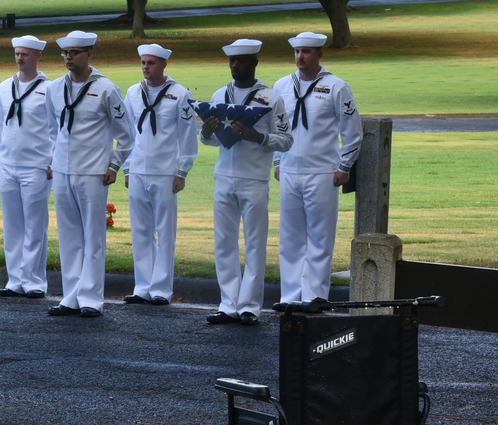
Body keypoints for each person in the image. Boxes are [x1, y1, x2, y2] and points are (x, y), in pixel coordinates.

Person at [200, 38, 293, 325]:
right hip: (223, 178)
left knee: (254, 242)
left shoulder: (270, 97)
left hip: (254, 179)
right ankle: (228, 303)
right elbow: (210, 140)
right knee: (224, 242)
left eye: (241, 61)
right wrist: (206, 132)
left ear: (254, 62)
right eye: (232, 61)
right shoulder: (219, 94)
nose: (235, 65)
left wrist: (259, 137)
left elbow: (287, 140)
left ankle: (250, 305)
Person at [44, 31, 135, 318]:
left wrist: (113, 165)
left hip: (93, 171)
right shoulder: (54, 88)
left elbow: (128, 135)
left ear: (89, 55)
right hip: (62, 170)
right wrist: (52, 160)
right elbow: (50, 130)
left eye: (75, 53)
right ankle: (71, 296)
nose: (68, 58)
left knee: (93, 235)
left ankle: (91, 298)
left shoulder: (106, 89)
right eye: (65, 53)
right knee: (69, 235)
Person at [272, 31, 362, 303]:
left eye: (307, 52)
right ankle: (290, 297)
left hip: (323, 172)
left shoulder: (336, 86)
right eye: (297, 52)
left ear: (319, 54)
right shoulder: (281, 86)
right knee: (290, 239)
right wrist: (277, 161)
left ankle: (314, 297)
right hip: (289, 171)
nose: (300, 57)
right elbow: (275, 127)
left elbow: (352, 131)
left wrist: (344, 165)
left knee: (319, 239)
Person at [121, 44, 198, 307]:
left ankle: (162, 288)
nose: (145, 67)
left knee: (165, 231)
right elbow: (128, 134)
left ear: (164, 64)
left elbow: (187, 136)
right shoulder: (132, 92)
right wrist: (128, 167)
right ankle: (142, 286)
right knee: (140, 230)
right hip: (139, 169)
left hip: (165, 171)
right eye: (143, 62)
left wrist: (182, 171)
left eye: (151, 63)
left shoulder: (180, 94)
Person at [0, 35, 56, 299]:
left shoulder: (50, 88)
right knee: (12, 224)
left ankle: (34, 280)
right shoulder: (4, 87)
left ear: (38, 56)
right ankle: (15, 279)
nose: (20, 58)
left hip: (36, 165)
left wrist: (52, 159)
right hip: (8, 165)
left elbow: (57, 128)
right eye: (17, 54)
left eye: (25, 54)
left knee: (35, 224)